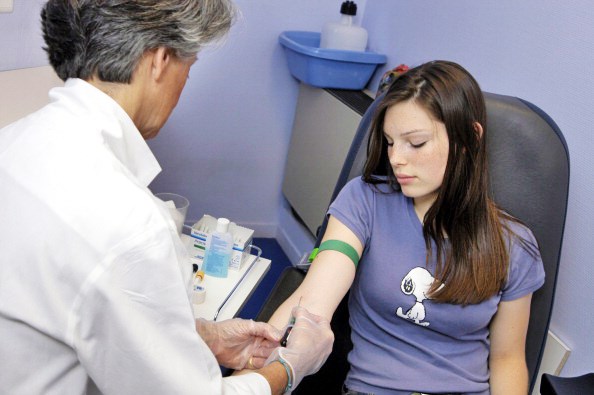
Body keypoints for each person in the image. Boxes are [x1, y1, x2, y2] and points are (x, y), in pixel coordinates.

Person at [0, 1, 332, 394]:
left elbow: (67, 310)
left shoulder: (12, 142)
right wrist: (291, 368)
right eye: (187, 70)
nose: (181, 89)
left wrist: (203, 337)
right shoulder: (129, 225)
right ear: (159, 60)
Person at [267, 60, 545, 395]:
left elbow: (507, 359)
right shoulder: (364, 201)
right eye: (389, 141)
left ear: (469, 138)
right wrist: (253, 373)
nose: (396, 158)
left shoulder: (513, 245)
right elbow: (310, 304)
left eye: (415, 143)